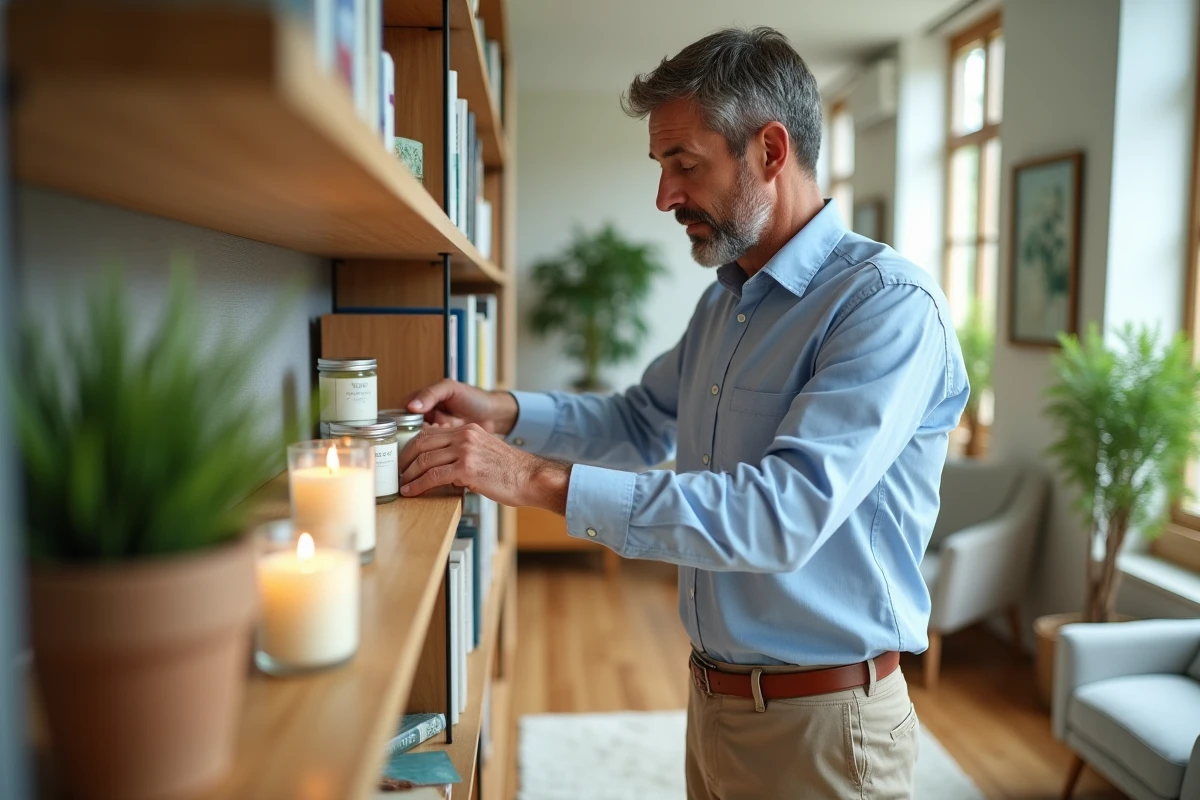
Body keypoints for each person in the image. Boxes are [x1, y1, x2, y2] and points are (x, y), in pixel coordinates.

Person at [397, 26, 968, 800]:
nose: (664, 196)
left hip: (827, 727)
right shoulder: (726, 300)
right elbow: (641, 421)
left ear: (770, 150)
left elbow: (781, 514)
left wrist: (531, 479)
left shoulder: (886, 308)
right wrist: (502, 411)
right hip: (714, 702)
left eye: (684, 165)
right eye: (661, 166)